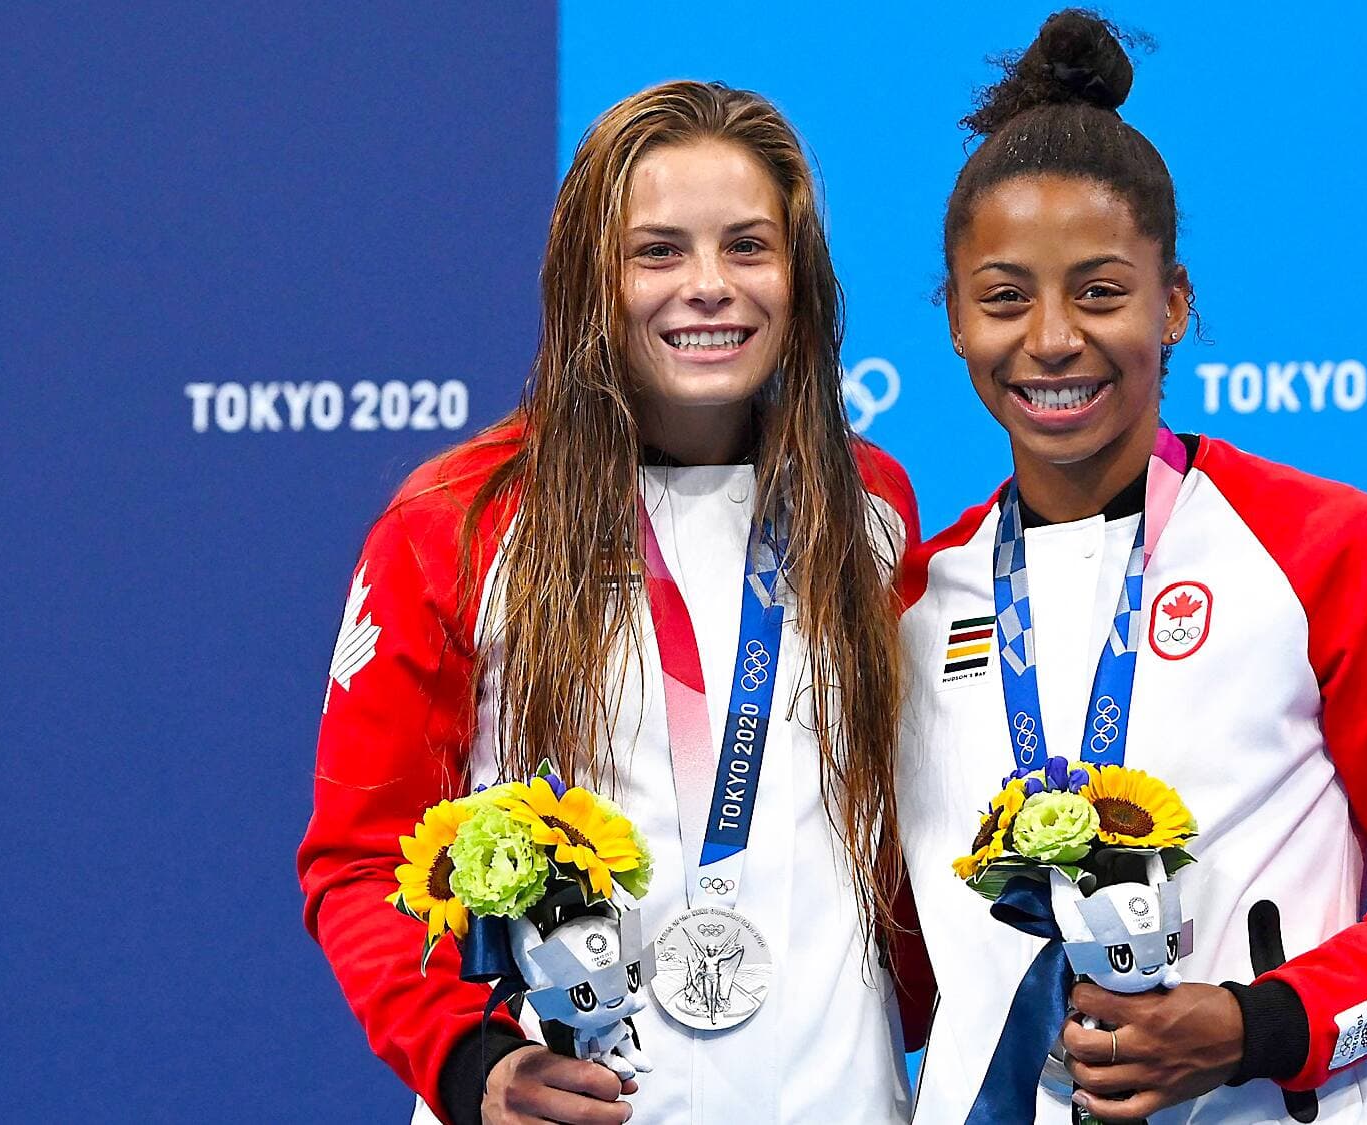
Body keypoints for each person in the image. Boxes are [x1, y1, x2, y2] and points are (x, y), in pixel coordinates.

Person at [894, 12, 1367, 1123]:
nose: (1049, 339)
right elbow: (894, 959)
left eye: (1098, 292)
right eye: (1003, 297)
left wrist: (1253, 1028)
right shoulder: (910, 598)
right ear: (950, 318)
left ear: (1172, 302)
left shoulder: (1335, 551)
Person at [299, 80, 925, 1125]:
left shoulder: (869, 510)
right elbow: (359, 858)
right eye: (659, 251)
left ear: (800, 277)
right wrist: (465, 1061)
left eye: (747, 247)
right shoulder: (459, 521)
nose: (709, 287)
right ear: (589, 278)